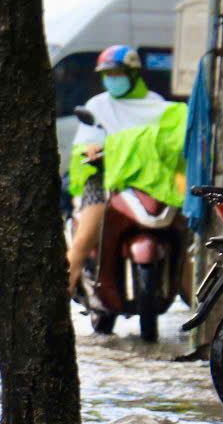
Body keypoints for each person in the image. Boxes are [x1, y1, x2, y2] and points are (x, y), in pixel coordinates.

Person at [64, 44, 170, 295]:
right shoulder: (98, 105)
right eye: (107, 75)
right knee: (82, 241)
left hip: (148, 181)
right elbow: (85, 140)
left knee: (183, 231)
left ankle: (198, 303)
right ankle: (63, 292)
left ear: (133, 74)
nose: (112, 79)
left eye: (118, 73)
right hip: (104, 179)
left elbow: (169, 140)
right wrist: (90, 148)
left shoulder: (156, 105)